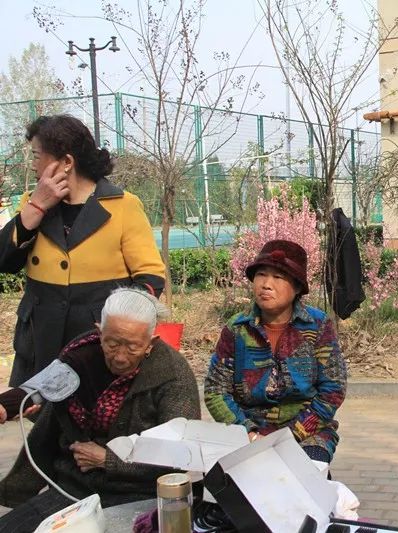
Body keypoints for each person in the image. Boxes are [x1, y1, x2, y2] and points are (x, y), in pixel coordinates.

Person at [0, 288, 201, 533]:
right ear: (99, 331)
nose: (120, 357)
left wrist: (109, 460)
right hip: (73, 488)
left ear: (151, 343)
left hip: (137, 493)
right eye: (112, 344)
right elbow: (41, 386)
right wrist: (6, 405)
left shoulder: (173, 375)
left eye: (133, 347)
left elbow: (180, 454)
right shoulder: (79, 355)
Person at [0, 115, 165, 387]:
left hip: (96, 349)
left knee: (95, 411)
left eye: (37, 156)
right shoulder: (33, 203)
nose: (32, 165)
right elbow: (4, 261)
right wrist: (36, 208)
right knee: (37, 412)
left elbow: (151, 277)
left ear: (66, 162)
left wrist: (120, 328)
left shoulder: (122, 205)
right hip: (39, 346)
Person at [204, 239, 347, 463]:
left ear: (297, 287)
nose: (266, 284)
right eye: (261, 275)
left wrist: (291, 436)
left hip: (308, 433)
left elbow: (333, 389)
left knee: (305, 473)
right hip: (247, 432)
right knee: (223, 479)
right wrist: (248, 433)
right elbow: (216, 390)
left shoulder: (317, 326)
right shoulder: (237, 329)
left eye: (278, 277)